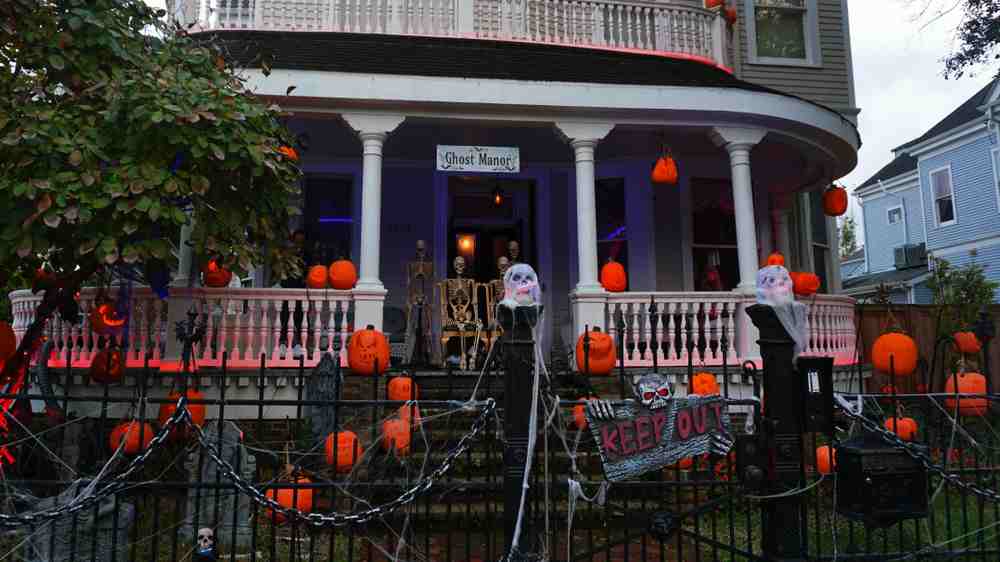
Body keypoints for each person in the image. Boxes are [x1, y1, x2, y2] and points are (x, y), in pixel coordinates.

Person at [279, 229, 313, 356]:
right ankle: (283, 344)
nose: (298, 243)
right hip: (287, 289)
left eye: (301, 241)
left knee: (301, 317)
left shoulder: (307, 255)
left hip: (301, 290)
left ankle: (300, 344)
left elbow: (311, 271)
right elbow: (281, 271)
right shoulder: (287, 254)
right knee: (285, 316)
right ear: (293, 241)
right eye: (296, 240)